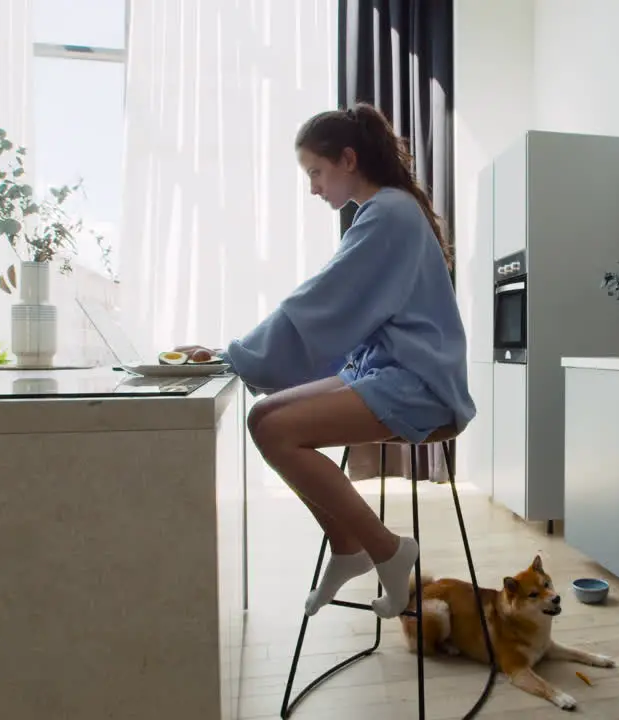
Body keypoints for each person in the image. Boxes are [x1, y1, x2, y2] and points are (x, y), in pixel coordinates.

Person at [174, 103, 475, 620]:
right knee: (263, 418)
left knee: (275, 430)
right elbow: (334, 304)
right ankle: (346, 548)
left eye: (316, 171)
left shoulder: (389, 212)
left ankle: (385, 549)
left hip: (420, 385)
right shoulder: (385, 210)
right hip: (388, 372)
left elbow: (323, 298)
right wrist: (235, 355)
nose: (314, 187)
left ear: (348, 159)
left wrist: (236, 354)